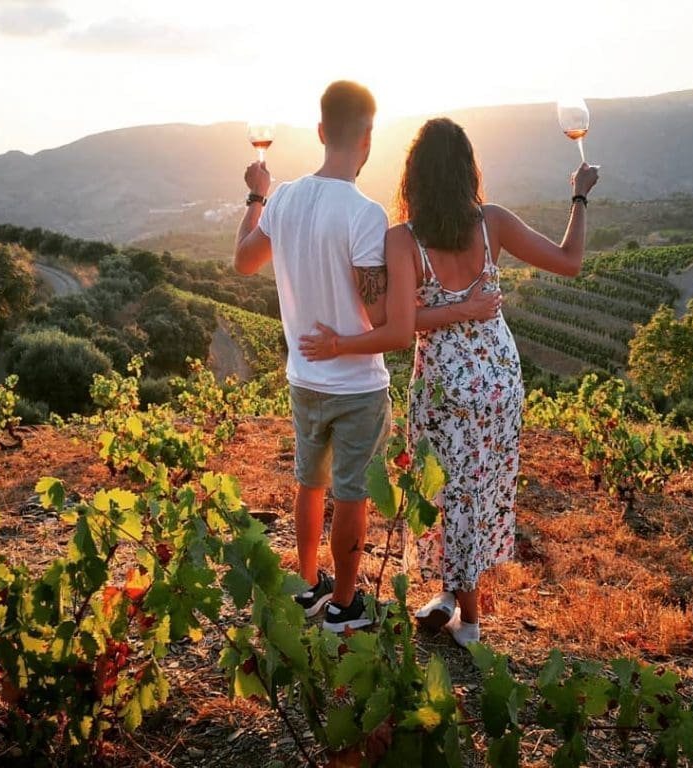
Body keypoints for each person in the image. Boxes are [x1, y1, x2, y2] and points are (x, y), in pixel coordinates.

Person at [299, 117, 598, 649]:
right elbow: (570, 262)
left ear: (412, 177)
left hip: (444, 386)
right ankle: (447, 594)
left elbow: (401, 327)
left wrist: (344, 341)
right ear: (467, 171)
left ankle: (472, 622)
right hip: (500, 380)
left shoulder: (403, 240)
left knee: (442, 491)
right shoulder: (493, 223)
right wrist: (579, 199)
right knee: (476, 492)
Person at [232, 81, 396, 633]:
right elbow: (378, 318)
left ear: (322, 131)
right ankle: (346, 607)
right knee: (352, 493)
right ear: (368, 138)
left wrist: (256, 195)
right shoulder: (365, 213)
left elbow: (244, 262)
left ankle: (308, 586)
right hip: (356, 384)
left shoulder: (283, 199)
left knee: (310, 482)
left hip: (303, 376)